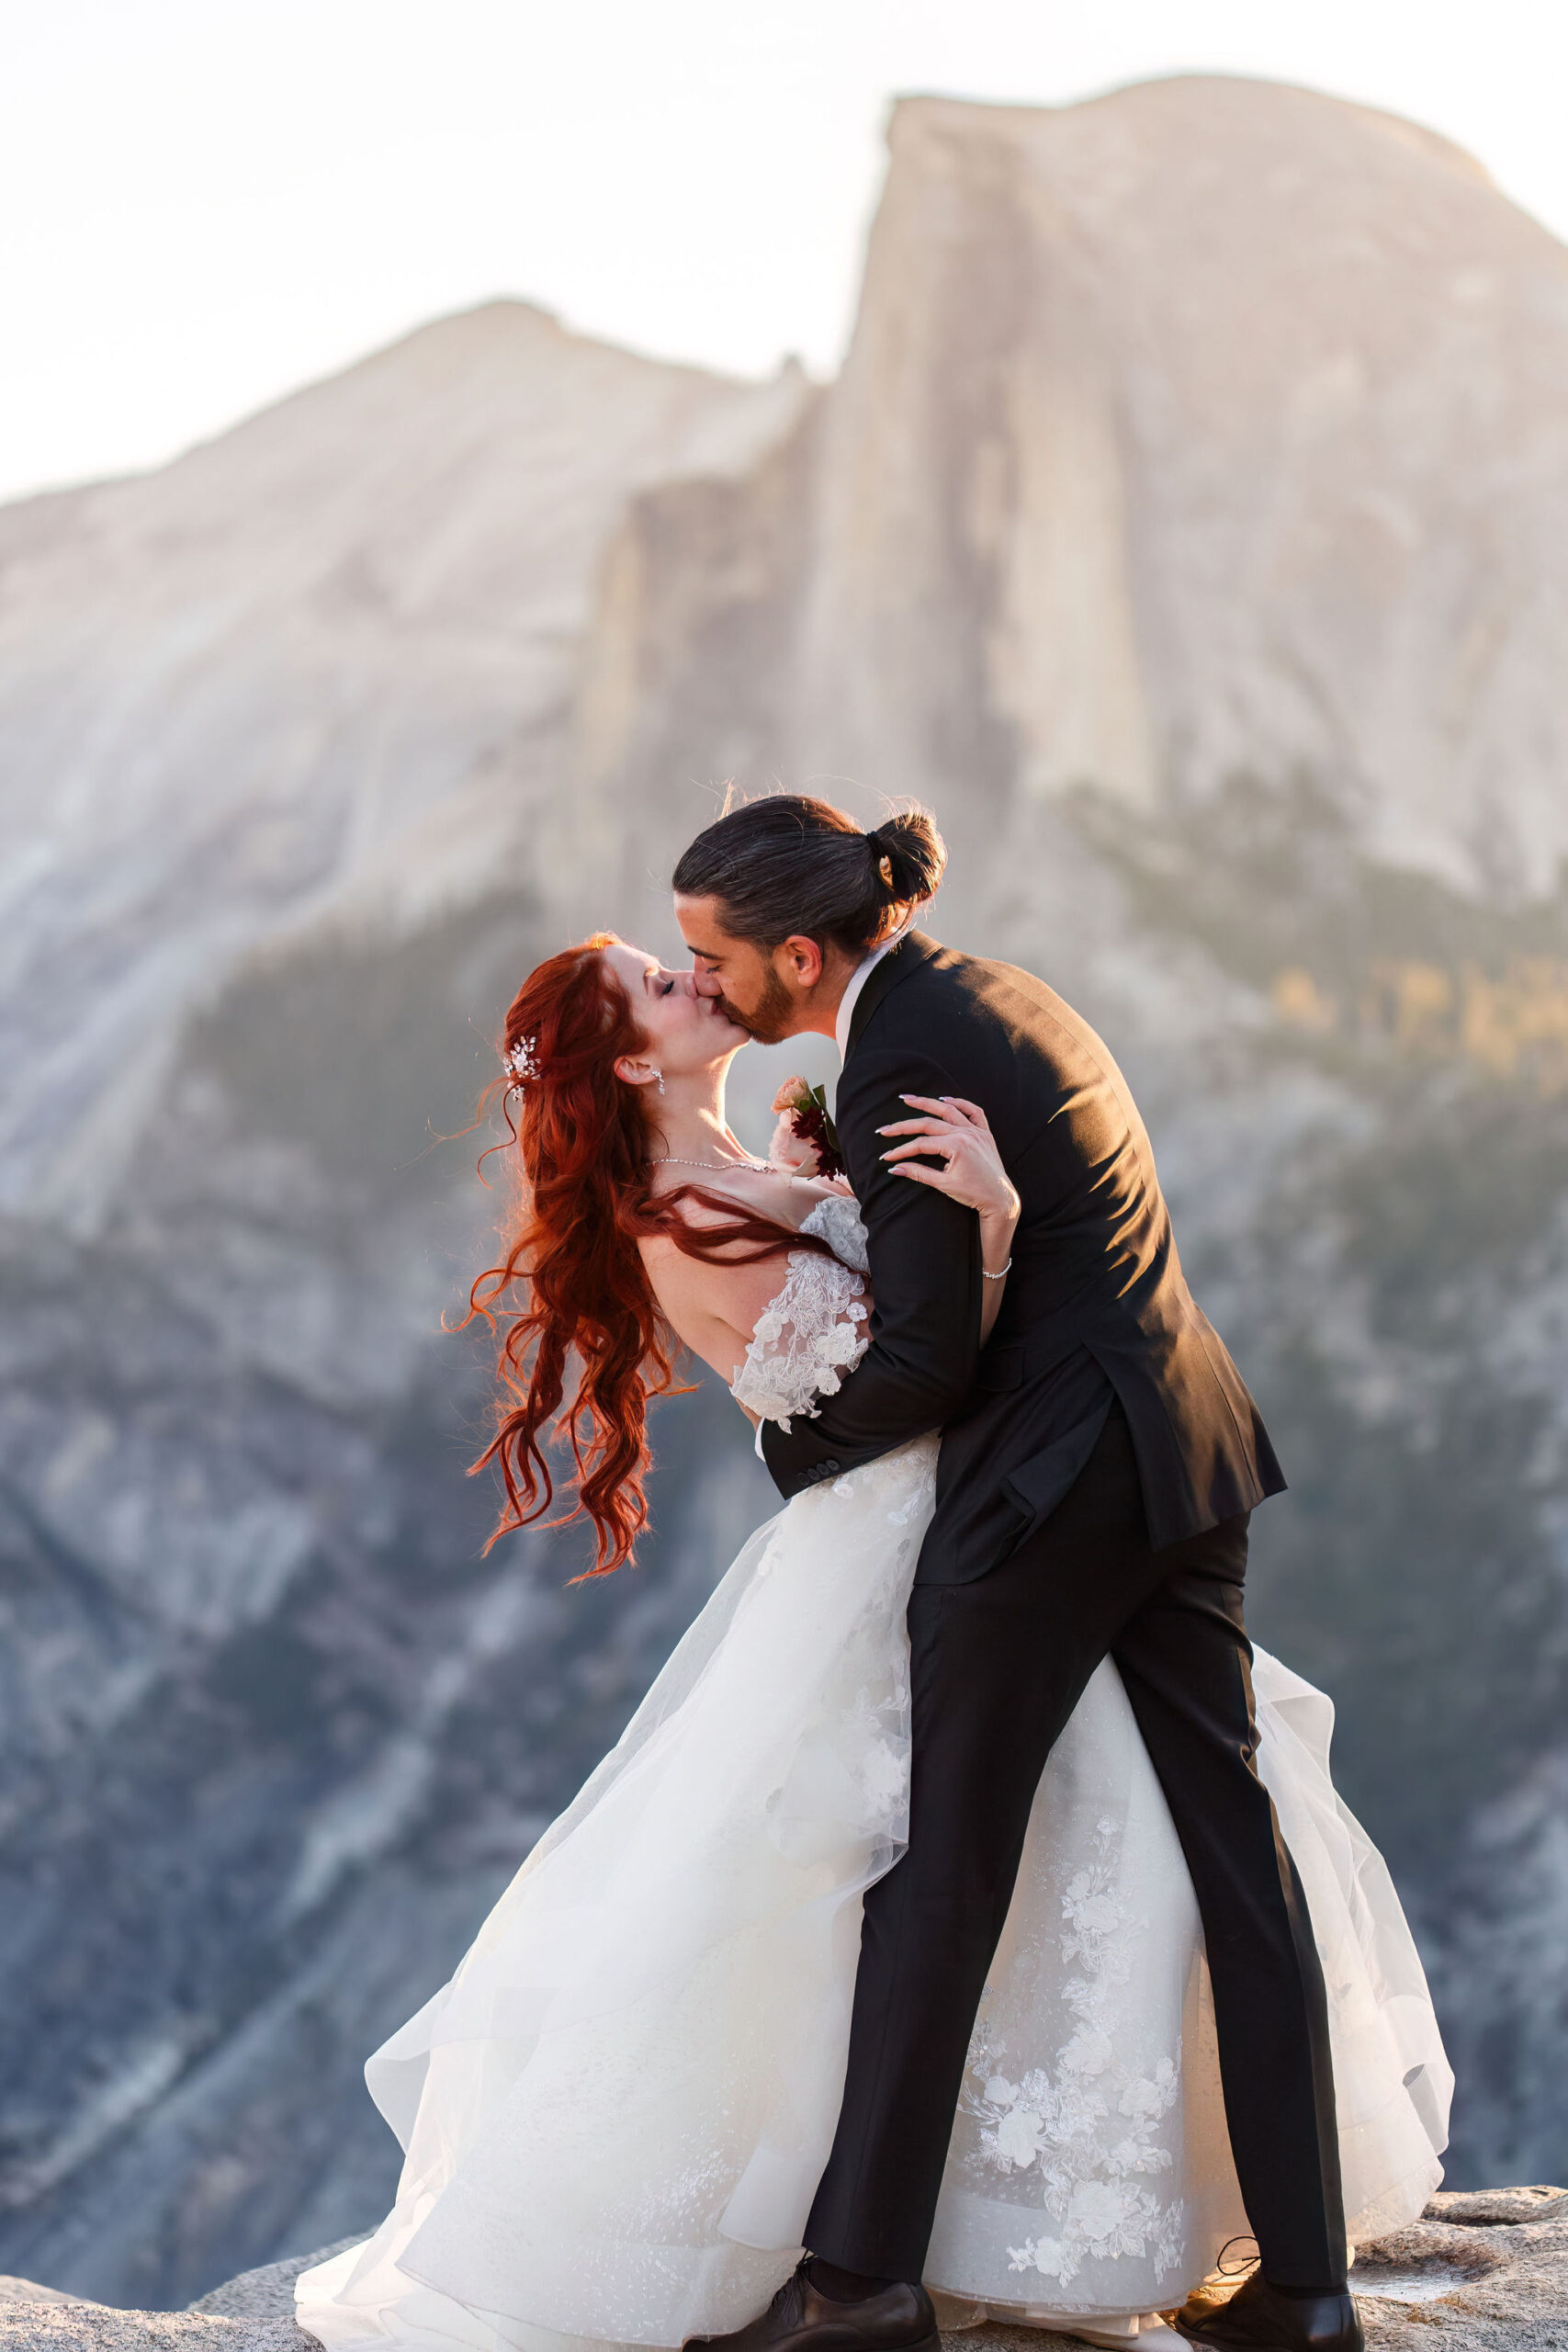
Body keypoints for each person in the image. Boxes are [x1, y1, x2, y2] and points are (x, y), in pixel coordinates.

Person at [296, 822, 1449, 2352]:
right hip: (1179, 1444)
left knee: (941, 1872)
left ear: (793, 954)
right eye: (667, 970)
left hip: (1040, 1491)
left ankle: (864, 2281)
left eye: (702, 953)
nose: (696, 977)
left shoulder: (898, 1064)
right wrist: (943, 1238)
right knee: (1232, 1851)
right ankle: (1304, 2292)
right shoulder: (989, 995)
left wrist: (933, 1285)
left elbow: (911, 1372)